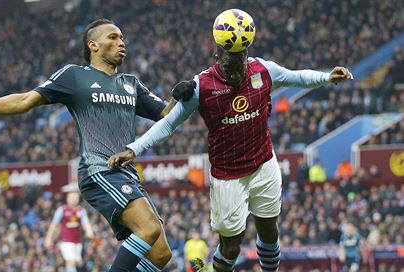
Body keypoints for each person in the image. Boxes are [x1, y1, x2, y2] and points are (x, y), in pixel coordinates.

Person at [108, 10, 353, 272]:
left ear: (246, 55)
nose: (236, 71)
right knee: (231, 247)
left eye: (240, 62)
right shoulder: (202, 86)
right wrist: (134, 149)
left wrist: (327, 77)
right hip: (228, 178)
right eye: (230, 64)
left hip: (264, 164)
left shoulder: (263, 70)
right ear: (218, 56)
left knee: (270, 232)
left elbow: (297, 76)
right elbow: (168, 123)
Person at [0, 18, 194, 271]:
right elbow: (24, 100)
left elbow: (165, 115)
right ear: (93, 45)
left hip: (126, 173)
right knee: (149, 228)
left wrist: (181, 96)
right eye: (113, 37)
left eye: (122, 38)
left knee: (161, 255)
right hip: (98, 169)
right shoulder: (74, 76)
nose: (121, 42)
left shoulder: (131, 84)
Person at [45, 191, 94, 272]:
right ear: (67, 198)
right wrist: (48, 238)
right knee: (70, 261)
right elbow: (53, 224)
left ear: (78, 199)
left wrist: (89, 232)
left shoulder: (81, 211)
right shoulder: (62, 210)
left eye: (75, 198)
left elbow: (86, 223)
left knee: (78, 263)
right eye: (71, 197)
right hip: (66, 241)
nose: (73, 199)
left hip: (78, 242)